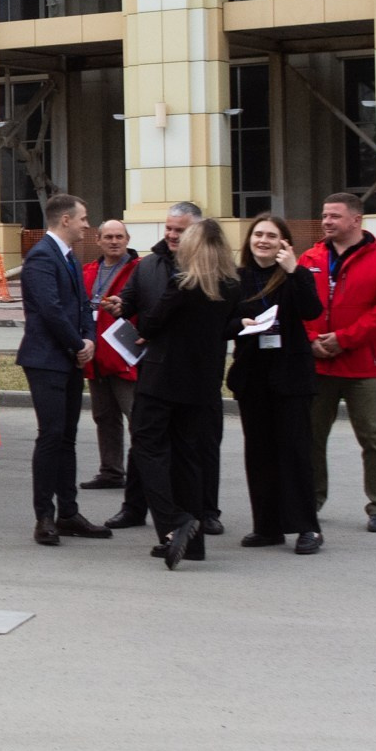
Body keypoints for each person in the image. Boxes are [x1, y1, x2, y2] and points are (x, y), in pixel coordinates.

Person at [131, 218, 241, 569]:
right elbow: (228, 328)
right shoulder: (231, 286)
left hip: (162, 379)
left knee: (148, 447)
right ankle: (194, 545)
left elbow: (149, 324)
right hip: (202, 383)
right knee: (188, 456)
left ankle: (173, 523)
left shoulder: (182, 284)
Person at [300, 192, 376, 532]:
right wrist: (312, 340)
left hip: (365, 367)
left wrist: (344, 339)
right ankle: (311, 501)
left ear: (356, 220)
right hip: (318, 365)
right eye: (324, 215)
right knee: (310, 437)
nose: (327, 221)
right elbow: (296, 303)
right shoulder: (310, 257)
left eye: (334, 216)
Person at [14, 193, 112, 546]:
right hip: (46, 361)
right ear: (66, 220)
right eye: (84, 218)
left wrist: (88, 340)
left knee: (67, 438)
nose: (88, 224)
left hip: (69, 359)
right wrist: (77, 344)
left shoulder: (68, 256)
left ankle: (69, 513)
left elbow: (82, 305)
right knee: (51, 436)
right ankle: (45, 516)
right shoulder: (42, 256)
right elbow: (50, 309)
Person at [104, 202, 207, 531]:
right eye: (170, 228)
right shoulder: (147, 265)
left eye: (181, 229)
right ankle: (135, 508)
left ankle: (197, 515)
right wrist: (121, 305)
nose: (173, 235)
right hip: (151, 369)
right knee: (144, 442)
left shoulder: (204, 267)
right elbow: (131, 299)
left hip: (191, 372)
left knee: (183, 448)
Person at [228, 214, 324, 555]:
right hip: (253, 376)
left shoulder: (295, 275)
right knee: (259, 453)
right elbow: (223, 323)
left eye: (271, 235)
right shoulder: (237, 278)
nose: (263, 240)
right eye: (258, 234)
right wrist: (240, 321)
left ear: (283, 242)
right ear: (249, 240)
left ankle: (306, 528)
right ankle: (266, 527)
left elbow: (312, 311)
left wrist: (294, 269)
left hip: (291, 376)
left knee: (295, 453)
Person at [81, 220, 140, 491]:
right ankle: (111, 471)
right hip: (96, 357)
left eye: (119, 236)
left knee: (136, 416)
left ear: (127, 239)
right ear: (98, 241)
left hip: (125, 356)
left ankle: (144, 473)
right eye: (108, 237)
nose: (114, 241)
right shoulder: (88, 271)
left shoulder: (139, 269)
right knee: (104, 416)